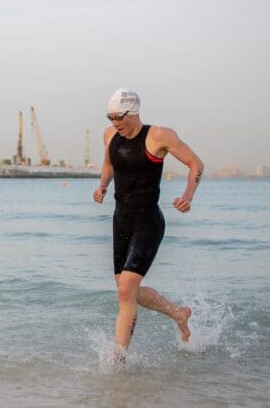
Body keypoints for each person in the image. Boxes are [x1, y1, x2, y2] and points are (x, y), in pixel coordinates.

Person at [92, 88, 204, 363]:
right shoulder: (110, 136)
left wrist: (188, 195)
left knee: (126, 288)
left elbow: (195, 164)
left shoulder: (158, 136)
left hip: (148, 221)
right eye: (110, 116)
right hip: (121, 221)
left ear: (134, 112)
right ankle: (178, 313)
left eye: (119, 116)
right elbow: (108, 163)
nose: (114, 122)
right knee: (127, 290)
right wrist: (103, 186)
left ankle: (119, 359)